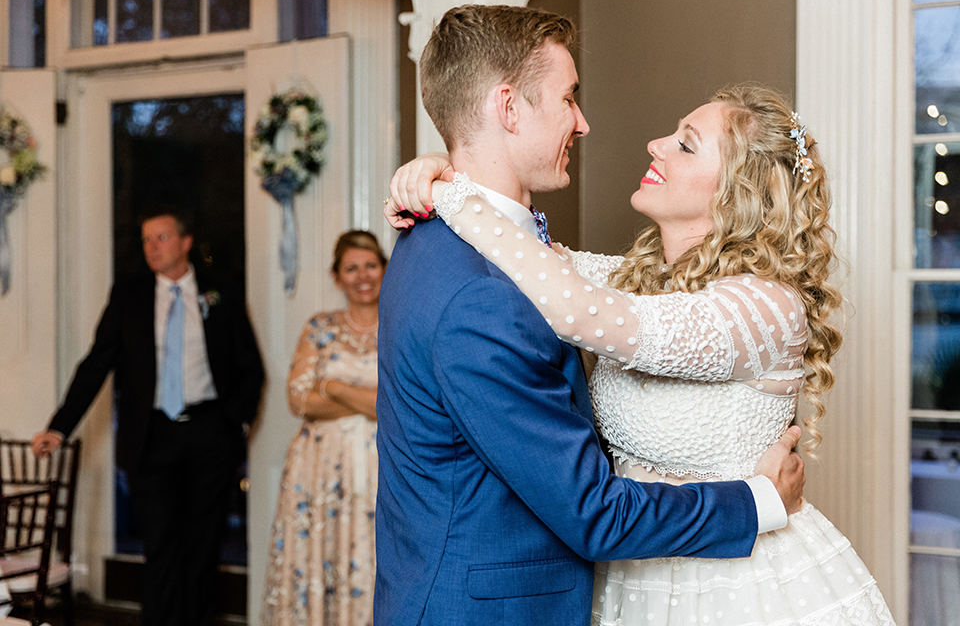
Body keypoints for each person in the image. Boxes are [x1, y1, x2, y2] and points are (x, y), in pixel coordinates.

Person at [387, 84, 897, 624]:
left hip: (736, 581)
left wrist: (450, 193)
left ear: (737, 191)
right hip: (631, 570)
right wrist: (448, 164)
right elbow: (527, 256)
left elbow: (576, 310)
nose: (656, 144)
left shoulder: (766, 308)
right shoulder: (635, 281)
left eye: (686, 144)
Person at [32, 206, 265, 626]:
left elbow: (251, 367)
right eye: (145, 240)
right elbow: (96, 364)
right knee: (160, 548)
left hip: (209, 436)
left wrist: (235, 422)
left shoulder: (222, 293)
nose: (151, 247)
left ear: (185, 242)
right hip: (151, 438)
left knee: (202, 548)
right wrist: (59, 427)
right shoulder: (129, 296)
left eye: (160, 237)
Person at [261, 230, 384, 626]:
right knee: (320, 555)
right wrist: (364, 399)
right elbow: (298, 399)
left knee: (376, 556)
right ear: (337, 277)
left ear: (384, 269)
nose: (362, 276)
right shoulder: (320, 327)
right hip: (317, 469)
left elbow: (393, 406)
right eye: (351, 268)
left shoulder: (401, 325)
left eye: (370, 265)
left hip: (383, 466)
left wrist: (332, 386)